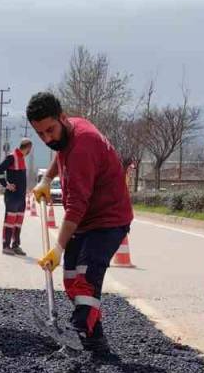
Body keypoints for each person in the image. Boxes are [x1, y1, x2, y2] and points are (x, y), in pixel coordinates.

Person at [27, 92, 134, 352]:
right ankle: (95, 339)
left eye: (50, 130)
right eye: (40, 134)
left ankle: (78, 332)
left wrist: (58, 248)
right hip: (86, 221)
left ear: (62, 118)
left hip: (109, 219)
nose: (47, 138)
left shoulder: (84, 146)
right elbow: (59, 153)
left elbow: (75, 207)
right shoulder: (70, 130)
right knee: (71, 277)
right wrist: (46, 179)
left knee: (86, 278)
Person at [0, 138, 33, 255]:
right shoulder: (12, 157)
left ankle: (15, 245)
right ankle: (6, 246)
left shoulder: (21, 158)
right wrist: (6, 185)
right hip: (12, 197)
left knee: (18, 222)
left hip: (21, 198)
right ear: (27, 148)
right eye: (30, 149)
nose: (30, 152)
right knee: (9, 222)